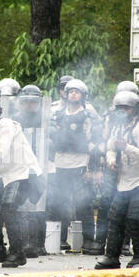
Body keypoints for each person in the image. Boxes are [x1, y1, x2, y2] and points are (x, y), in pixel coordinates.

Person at [0, 94, 44, 268]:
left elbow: (1, 153)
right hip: (1, 173)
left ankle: (17, 253)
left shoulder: (6, 125)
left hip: (22, 172)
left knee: (9, 208)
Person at [95, 90, 139, 269]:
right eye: (119, 108)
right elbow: (110, 147)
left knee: (135, 218)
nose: (122, 111)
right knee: (115, 218)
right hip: (123, 182)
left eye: (126, 108)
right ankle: (111, 256)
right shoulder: (117, 127)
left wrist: (127, 148)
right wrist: (111, 160)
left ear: (134, 109)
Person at [50, 79, 95, 253]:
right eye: (70, 91)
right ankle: (59, 241)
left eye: (77, 91)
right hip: (61, 162)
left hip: (80, 162)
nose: (73, 94)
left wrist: (92, 167)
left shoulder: (88, 115)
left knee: (84, 203)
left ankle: (89, 241)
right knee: (59, 202)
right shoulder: (58, 113)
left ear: (83, 95)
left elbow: (92, 140)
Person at [12, 84, 48, 258]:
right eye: (26, 102)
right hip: (20, 164)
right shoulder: (15, 119)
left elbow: (53, 141)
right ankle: (25, 243)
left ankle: (38, 244)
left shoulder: (45, 119)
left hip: (39, 165)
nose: (29, 105)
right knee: (21, 205)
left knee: (38, 206)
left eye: (33, 102)